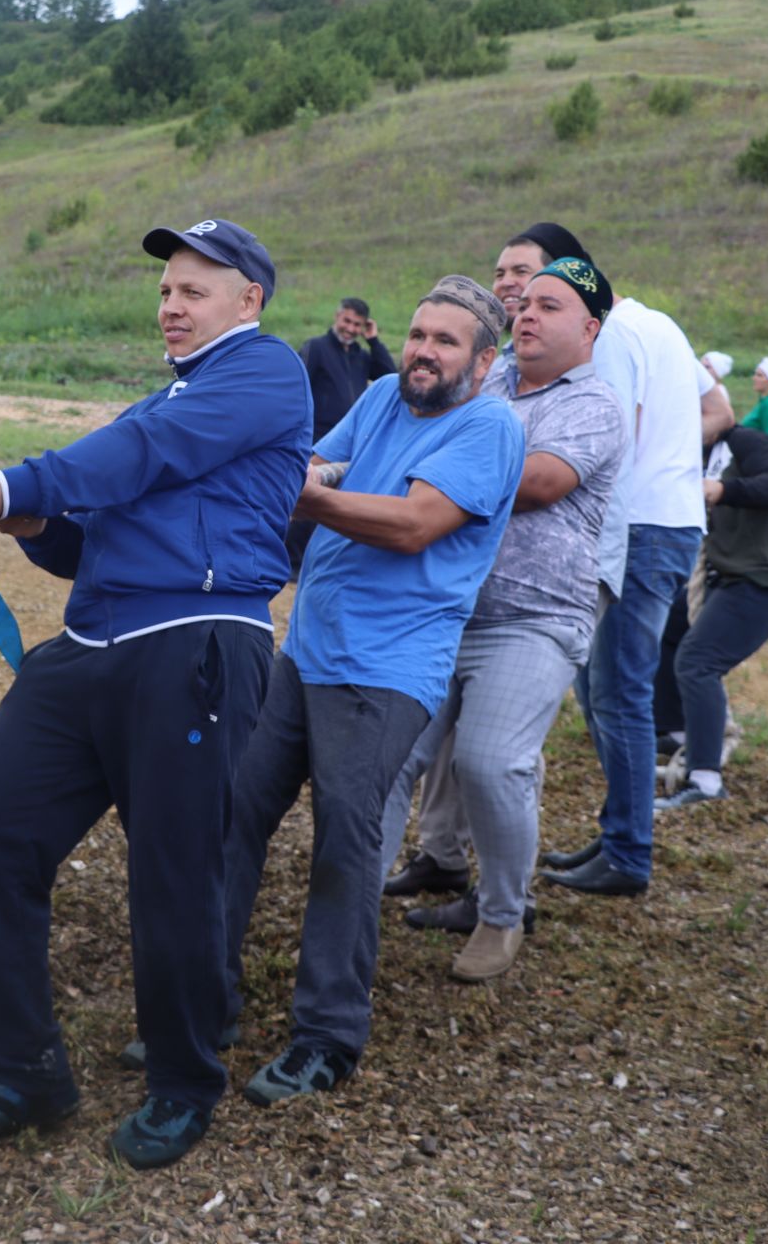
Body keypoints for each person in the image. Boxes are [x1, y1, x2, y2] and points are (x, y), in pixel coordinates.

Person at [0, 218, 311, 1171]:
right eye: (166, 290)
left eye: (194, 290)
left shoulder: (266, 374)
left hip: (195, 645)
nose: (172, 305)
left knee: (174, 875)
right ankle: (27, 1073)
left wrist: (11, 481)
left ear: (247, 302)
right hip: (89, 647)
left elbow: (145, 457)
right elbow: (87, 541)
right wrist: (35, 516)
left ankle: (184, 1084)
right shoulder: (160, 401)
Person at [217, 275, 523, 1104]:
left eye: (447, 341)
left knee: (344, 845)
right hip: (308, 650)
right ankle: (204, 1003)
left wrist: (304, 494)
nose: (425, 351)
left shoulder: (492, 427)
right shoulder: (386, 393)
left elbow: (414, 524)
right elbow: (318, 460)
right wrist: (293, 473)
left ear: (486, 359)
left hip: (386, 671)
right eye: (419, 333)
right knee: (235, 813)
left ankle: (327, 1038)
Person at [380, 257, 625, 984]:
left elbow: (541, 482)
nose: (527, 312)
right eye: (525, 302)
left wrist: (431, 475)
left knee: (490, 762)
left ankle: (502, 912)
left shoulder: (593, 404)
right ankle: (347, 906)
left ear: (590, 328)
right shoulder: (483, 382)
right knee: (386, 757)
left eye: (550, 306)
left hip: (532, 615)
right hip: (435, 606)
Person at [538, 228, 728, 898]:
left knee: (617, 691)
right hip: (672, 520)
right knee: (606, 689)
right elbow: (717, 410)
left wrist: (591, 547)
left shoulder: (613, 336)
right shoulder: (663, 325)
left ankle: (628, 851)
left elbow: (609, 439)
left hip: (639, 527)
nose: (532, 310)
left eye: (548, 297)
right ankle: (620, 828)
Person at [651, 425, 768, 808]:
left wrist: (721, 491)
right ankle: (681, 733)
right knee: (665, 625)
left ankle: (705, 782)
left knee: (697, 661)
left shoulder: (748, 443)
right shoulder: (680, 453)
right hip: (728, 582)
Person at [286, 298, 397, 568]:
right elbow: (297, 388)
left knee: (333, 499)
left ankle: (306, 559)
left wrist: (373, 341)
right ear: (337, 317)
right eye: (347, 321)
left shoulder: (361, 356)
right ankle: (290, 560)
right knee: (307, 497)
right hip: (317, 439)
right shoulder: (317, 348)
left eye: (357, 325)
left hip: (350, 441)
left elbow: (391, 377)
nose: (350, 328)